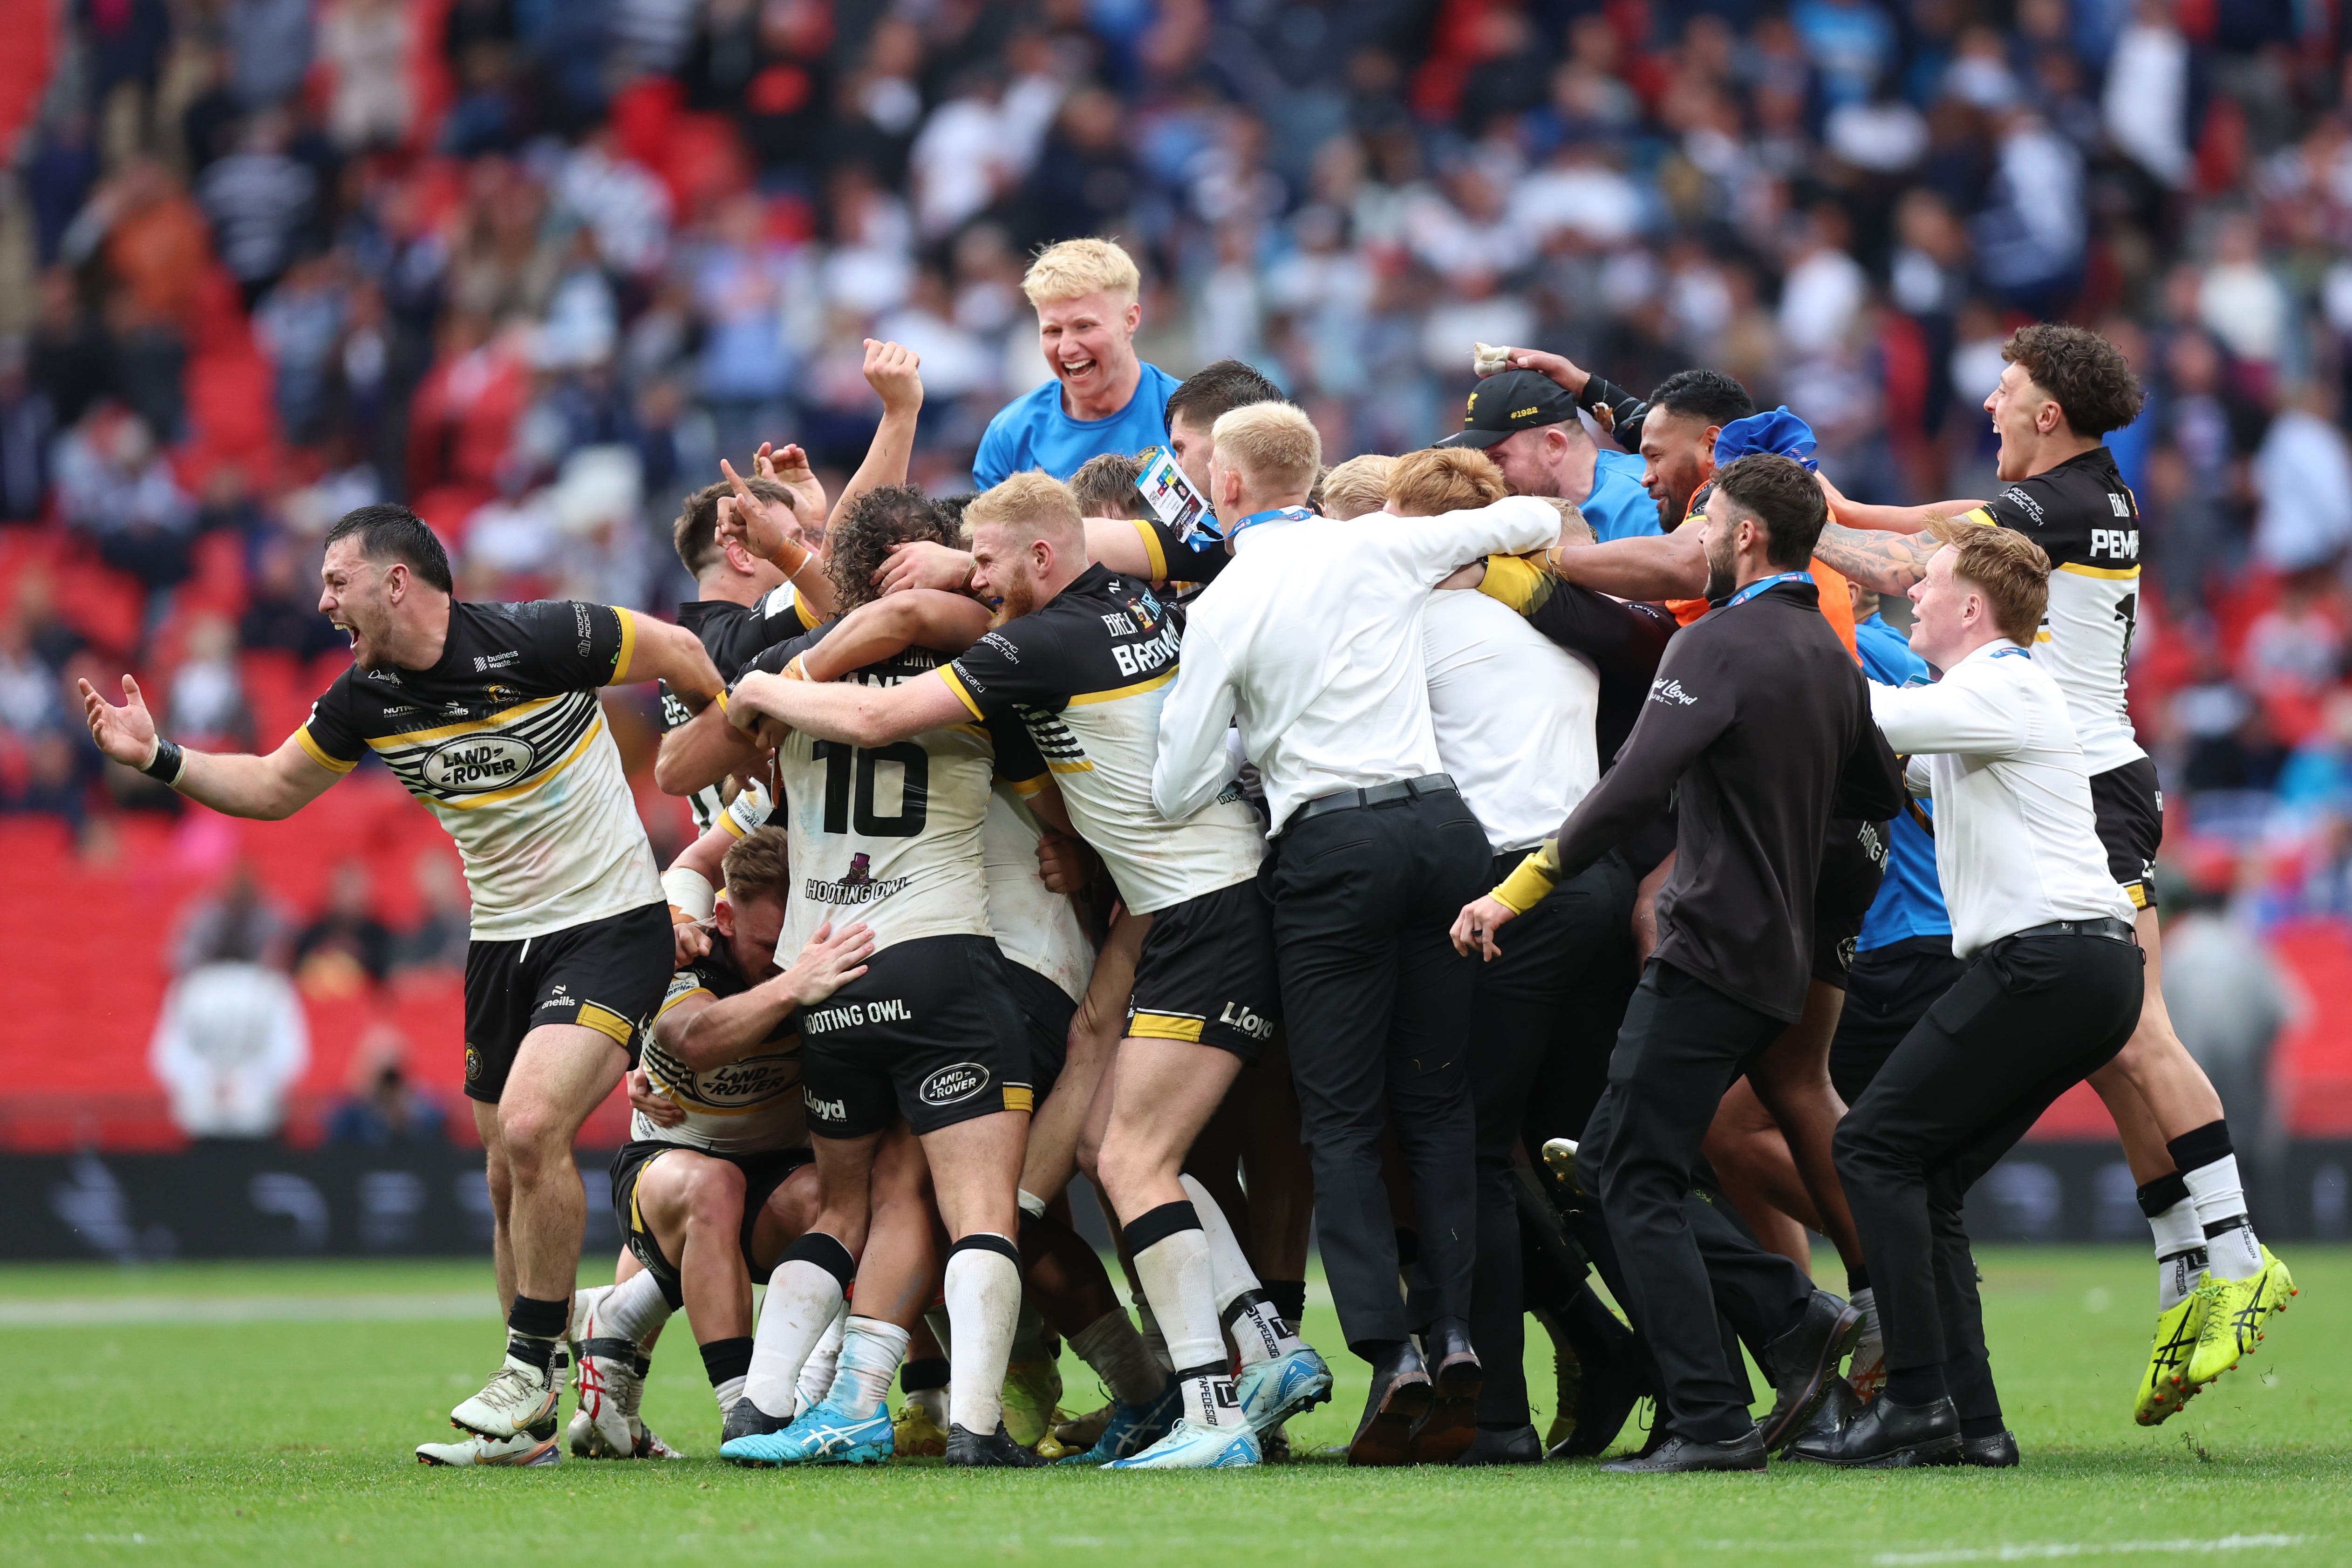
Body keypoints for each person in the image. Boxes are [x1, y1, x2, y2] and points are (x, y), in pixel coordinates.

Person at [80, 503, 727, 1468]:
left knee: (530, 1127)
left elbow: (678, 649)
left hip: (609, 926)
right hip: (499, 944)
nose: (321, 599)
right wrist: (160, 758)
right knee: (507, 1172)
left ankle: (529, 1368)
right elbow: (269, 787)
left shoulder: (544, 635)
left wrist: (721, 760)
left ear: (395, 581)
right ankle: (535, 1430)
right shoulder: (364, 697)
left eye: (336, 581)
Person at [714, 470, 1332, 1470]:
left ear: (1041, 558)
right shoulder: (1131, 592)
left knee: (1101, 1165)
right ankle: (1237, 1359)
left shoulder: (1037, 643)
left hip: (1193, 907)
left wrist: (764, 684)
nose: (978, 583)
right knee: (1098, 1153)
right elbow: (1061, 569)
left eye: (989, 564)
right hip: (1167, 902)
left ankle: (1210, 1405)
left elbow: (879, 706)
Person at [1804, 322, 2295, 1414]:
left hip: (2090, 778)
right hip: (2079, 771)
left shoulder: (2057, 501)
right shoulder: (2089, 492)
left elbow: (1907, 561)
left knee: (2141, 1027)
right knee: (2115, 1044)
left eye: (2005, 387)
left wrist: (1803, 523)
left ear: (2048, 412)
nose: (1987, 403)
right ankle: (2185, 1273)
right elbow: (1937, 528)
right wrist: (1842, 504)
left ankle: (2238, 1250)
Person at [1453, 453, 1903, 1473]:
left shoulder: (1722, 641)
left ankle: (1711, 1415)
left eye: (1707, 522)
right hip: (1780, 955)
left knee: (1625, 1174)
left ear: (1744, 536)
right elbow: (1878, 791)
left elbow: (1626, 790)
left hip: (1707, 946)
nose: (1693, 539)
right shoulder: (1829, 653)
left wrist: (1511, 892)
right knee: (1620, 1164)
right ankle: (1794, 1326)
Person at [1150, 401, 1558, 1465]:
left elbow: (1176, 780)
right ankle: (1456, 1326)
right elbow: (1529, 516)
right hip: (1440, 829)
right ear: (1317, 470)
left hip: (1329, 845)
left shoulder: (1228, 600)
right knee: (1437, 1101)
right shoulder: (1378, 542)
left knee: (1340, 1116)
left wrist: (1255, 723)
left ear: (1225, 487)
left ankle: (1391, 1353)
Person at [689, 488, 1055, 1470]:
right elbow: (1046, 795)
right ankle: (977, 1423)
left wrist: (758, 694)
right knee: (978, 1207)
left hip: (829, 979)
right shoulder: (978, 644)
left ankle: (763, 1405)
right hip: (939, 958)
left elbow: (678, 762)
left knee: (851, 1202)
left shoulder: (780, 671)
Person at [1793, 521, 2147, 1467]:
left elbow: (1858, 712)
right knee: (1926, 1174)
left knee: (1868, 1147)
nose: (1913, 592)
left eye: (1929, 581)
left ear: (1971, 608)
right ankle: (1970, 1423)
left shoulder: (1998, 683)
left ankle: (1913, 1403)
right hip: (2079, 966)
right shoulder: (1985, 693)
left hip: (2050, 961)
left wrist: (1795, 624)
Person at [1382, 448, 1646, 1465]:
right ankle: (1686, 1367)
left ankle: (1494, 1418)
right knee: (1587, 1153)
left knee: (1468, 1150)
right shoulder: (1552, 622)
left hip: (1505, 898)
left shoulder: (1413, 626)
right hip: (1593, 886)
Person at [572, 827, 873, 1463]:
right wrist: (794, 988)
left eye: (793, 947)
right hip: (666, 1168)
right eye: (768, 946)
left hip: (777, 1172)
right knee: (716, 1185)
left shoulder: (820, 945)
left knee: (846, 1199)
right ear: (727, 917)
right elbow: (694, 1036)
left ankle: (813, 1393)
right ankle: (745, 1410)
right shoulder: (685, 950)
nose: (784, 962)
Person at [970, 239, 1181, 491]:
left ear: (1131, 319)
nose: (1067, 348)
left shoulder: (1186, 419)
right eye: (1053, 331)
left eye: (1084, 326)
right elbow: (988, 530)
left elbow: (1224, 525)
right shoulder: (1010, 437)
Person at [1434, 366, 1658, 541]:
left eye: (1497, 459)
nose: (1487, 475)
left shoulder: (1644, 498)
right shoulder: (1515, 516)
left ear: (1554, 446)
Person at [150, 921, 309, 1141]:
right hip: (255, 1119)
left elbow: (169, 1056)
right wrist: (247, 1085)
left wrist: (208, 1084)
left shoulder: (190, 987)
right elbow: (290, 1055)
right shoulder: (272, 987)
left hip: (204, 1119)